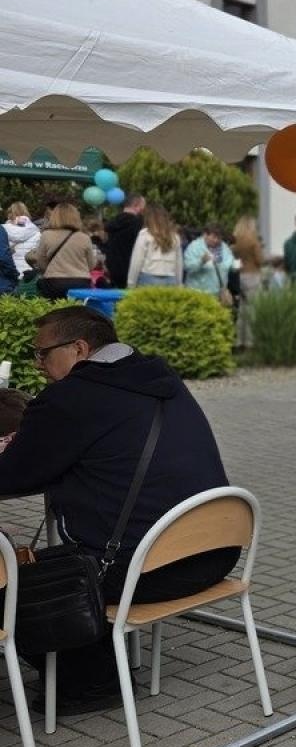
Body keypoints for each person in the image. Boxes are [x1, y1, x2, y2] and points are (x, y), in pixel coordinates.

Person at [0, 306, 236, 709]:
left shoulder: (70, 398)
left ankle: (90, 683)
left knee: (12, 582)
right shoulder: (161, 378)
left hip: (147, 569)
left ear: (78, 348)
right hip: (216, 551)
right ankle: (96, 665)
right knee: (49, 563)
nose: (38, 364)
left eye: (43, 354)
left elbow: (13, 475)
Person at [33, 203, 99, 300]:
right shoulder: (84, 237)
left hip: (54, 282)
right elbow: (91, 265)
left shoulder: (46, 235)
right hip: (81, 282)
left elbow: (40, 262)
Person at [126, 203, 183, 287]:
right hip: (170, 278)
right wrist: (179, 283)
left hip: (148, 277)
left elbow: (137, 261)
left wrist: (131, 283)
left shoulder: (145, 234)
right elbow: (178, 263)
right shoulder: (175, 236)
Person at [232, 217, 265, 347]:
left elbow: (235, 262)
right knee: (252, 310)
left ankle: (239, 340)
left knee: (241, 310)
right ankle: (250, 342)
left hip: (240, 276)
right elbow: (260, 260)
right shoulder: (253, 241)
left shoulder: (236, 241)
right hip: (253, 275)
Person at [102, 193, 146, 288]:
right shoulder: (138, 224)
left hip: (113, 268)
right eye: (143, 207)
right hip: (132, 268)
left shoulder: (113, 223)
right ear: (136, 205)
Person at [182, 222, 237, 296]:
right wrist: (201, 262)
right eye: (214, 237)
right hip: (198, 293)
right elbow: (187, 267)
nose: (216, 240)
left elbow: (229, 264)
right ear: (205, 235)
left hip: (218, 294)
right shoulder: (194, 247)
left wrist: (235, 266)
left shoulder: (225, 248)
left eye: (219, 238)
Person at [5, 203, 41, 278]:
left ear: (10, 214)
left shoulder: (3, 230)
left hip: (10, 273)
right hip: (30, 273)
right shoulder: (36, 231)